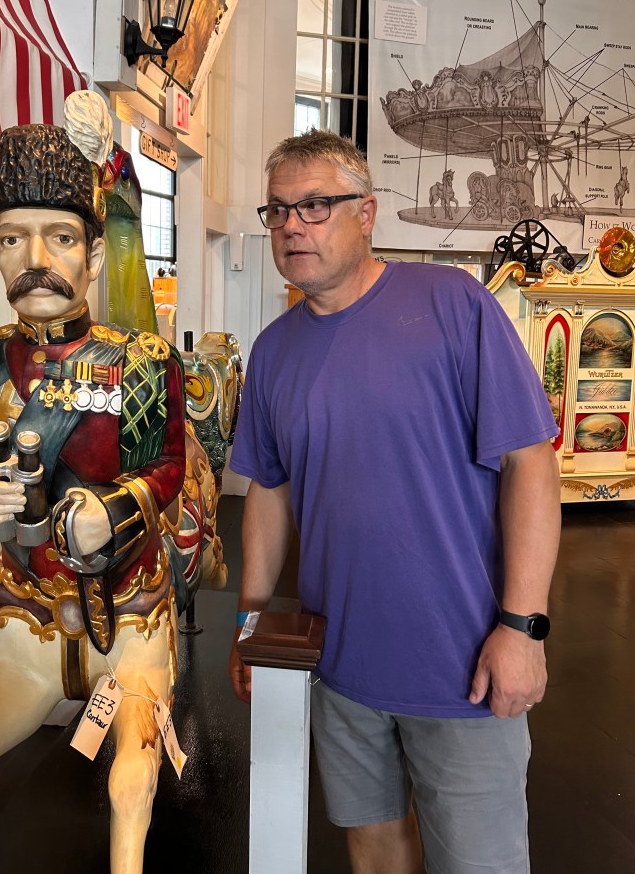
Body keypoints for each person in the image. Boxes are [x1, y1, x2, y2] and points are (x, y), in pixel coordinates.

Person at [228, 128, 560, 874]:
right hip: (341, 665)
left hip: (463, 665)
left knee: (479, 862)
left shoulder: (453, 306)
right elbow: (269, 491)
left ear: (367, 212)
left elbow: (531, 465)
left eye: (315, 205)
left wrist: (523, 628)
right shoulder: (273, 352)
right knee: (373, 848)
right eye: (277, 210)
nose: (292, 226)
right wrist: (252, 624)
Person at [0, 121, 186, 874]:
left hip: (125, 611)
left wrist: (110, 511)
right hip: (25, 618)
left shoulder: (143, 363)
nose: (33, 259)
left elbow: (167, 467)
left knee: (131, 781)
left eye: (58, 237)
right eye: (12, 238)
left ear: (92, 255)